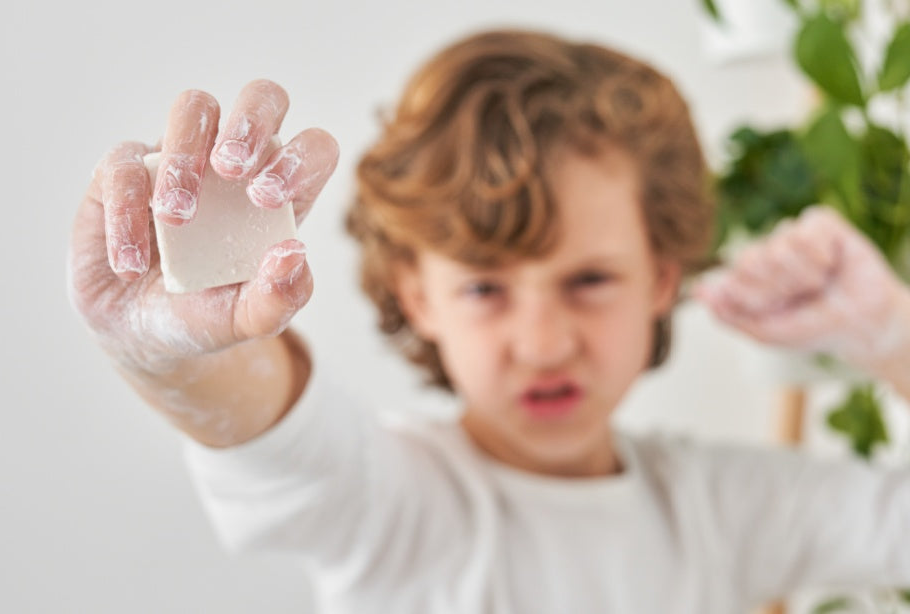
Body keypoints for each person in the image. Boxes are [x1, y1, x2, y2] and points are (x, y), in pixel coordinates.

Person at [67, 29, 910, 613]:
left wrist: (897, 340)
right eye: (485, 290)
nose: (544, 343)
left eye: (588, 279)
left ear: (661, 279)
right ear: (417, 294)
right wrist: (168, 347)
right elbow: (266, 423)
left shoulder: (718, 509)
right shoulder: (391, 503)